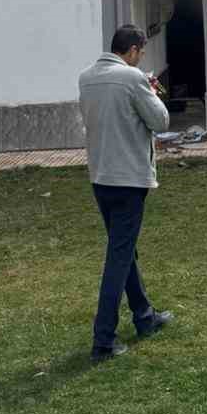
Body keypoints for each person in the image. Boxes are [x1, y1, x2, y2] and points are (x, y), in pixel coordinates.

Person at [78, 25, 174, 363]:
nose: (140, 59)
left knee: (125, 250)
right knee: (118, 257)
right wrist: (149, 87)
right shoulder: (132, 79)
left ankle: (145, 317)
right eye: (141, 53)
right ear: (132, 50)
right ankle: (103, 340)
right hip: (129, 180)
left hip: (100, 177)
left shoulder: (86, 77)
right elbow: (160, 121)